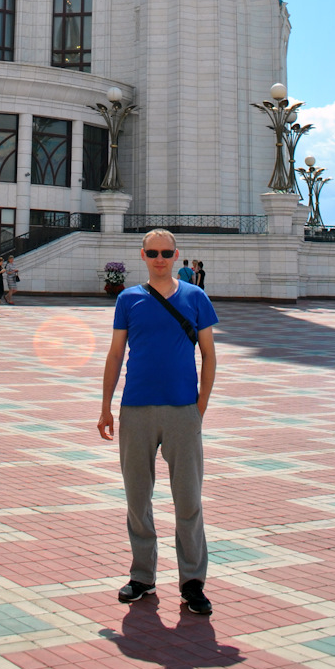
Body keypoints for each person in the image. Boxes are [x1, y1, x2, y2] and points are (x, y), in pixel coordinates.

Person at [98, 228, 218, 617]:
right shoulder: (128, 299)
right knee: (137, 498)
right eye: (153, 253)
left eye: (167, 252)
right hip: (136, 409)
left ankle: (192, 582)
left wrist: (199, 406)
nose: (160, 258)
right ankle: (143, 576)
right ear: (143, 255)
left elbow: (209, 355)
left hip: (183, 410)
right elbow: (116, 354)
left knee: (188, 500)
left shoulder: (195, 297)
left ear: (177, 254)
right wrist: (106, 406)